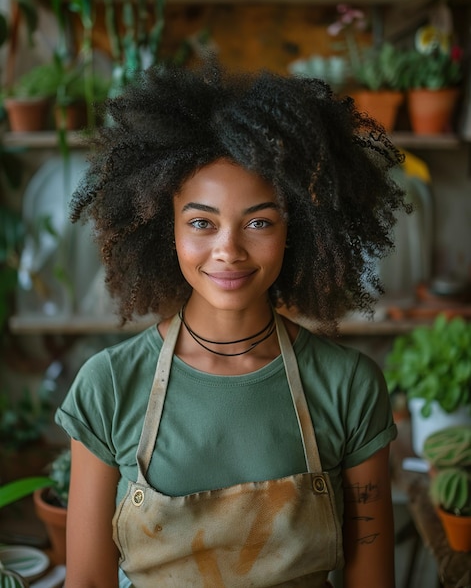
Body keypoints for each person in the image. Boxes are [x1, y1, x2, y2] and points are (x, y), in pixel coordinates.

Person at [56, 64, 409, 588]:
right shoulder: (108, 384)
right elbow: (87, 581)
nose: (228, 250)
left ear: (300, 230)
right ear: (163, 229)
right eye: (201, 222)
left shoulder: (348, 385)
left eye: (259, 222)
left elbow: (371, 579)